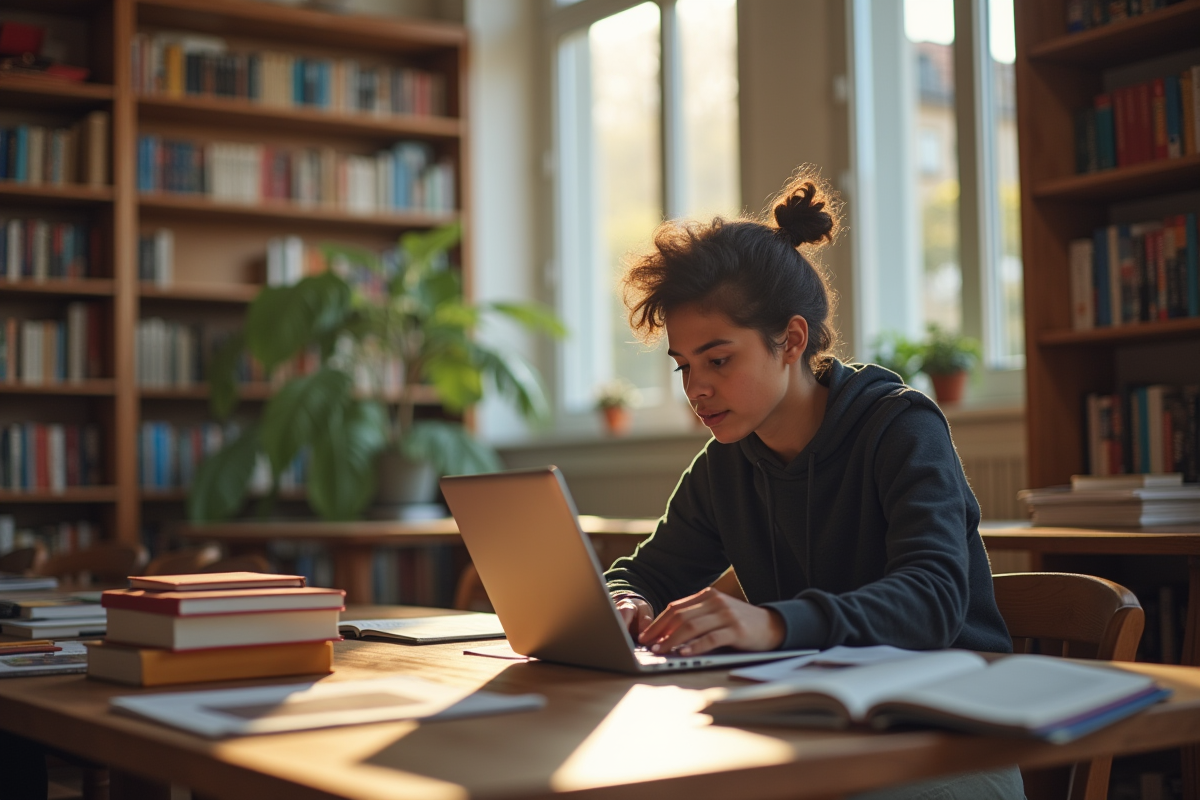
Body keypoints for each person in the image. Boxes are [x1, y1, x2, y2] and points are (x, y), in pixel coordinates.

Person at [603, 167, 1024, 800]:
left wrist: (772, 624)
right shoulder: (730, 460)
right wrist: (622, 603)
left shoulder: (900, 428)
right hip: (818, 728)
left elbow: (933, 600)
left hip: (949, 732)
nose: (697, 388)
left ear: (791, 339)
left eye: (718, 360)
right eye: (684, 366)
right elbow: (644, 571)